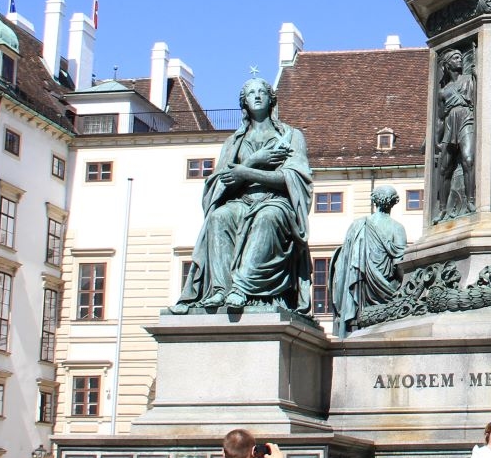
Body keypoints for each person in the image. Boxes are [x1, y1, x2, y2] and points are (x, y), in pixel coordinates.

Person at [174, 75, 313, 313]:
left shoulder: (291, 136)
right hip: (240, 200)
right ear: (244, 102)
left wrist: (246, 172)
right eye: (251, 93)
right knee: (218, 217)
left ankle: (241, 288)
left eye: (262, 92)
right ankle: (221, 289)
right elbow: (221, 184)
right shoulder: (233, 142)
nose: (257, 96)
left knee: (267, 218)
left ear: (271, 99)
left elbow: (292, 179)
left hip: (275, 201)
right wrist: (253, 161)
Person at [328, 184, 407, 334]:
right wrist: (405, 291)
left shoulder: (357, 225)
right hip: (387, 293)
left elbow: (344, 263)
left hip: (360, 291)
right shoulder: (397, 228)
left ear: (374, 201)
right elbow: (399, 264)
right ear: (394, 202)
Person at [432, 45, 476, 220]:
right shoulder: (443, 91)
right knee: (444, 168)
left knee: (468, 159)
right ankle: (442, 208)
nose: (460, 60)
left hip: (466, 118)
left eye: (460, 57)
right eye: (455, 58)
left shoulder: (470, 79)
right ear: (447, 64)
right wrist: (437, 139)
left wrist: (477, 73)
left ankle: (471, 201)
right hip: (450, 124)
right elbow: (440, 118)